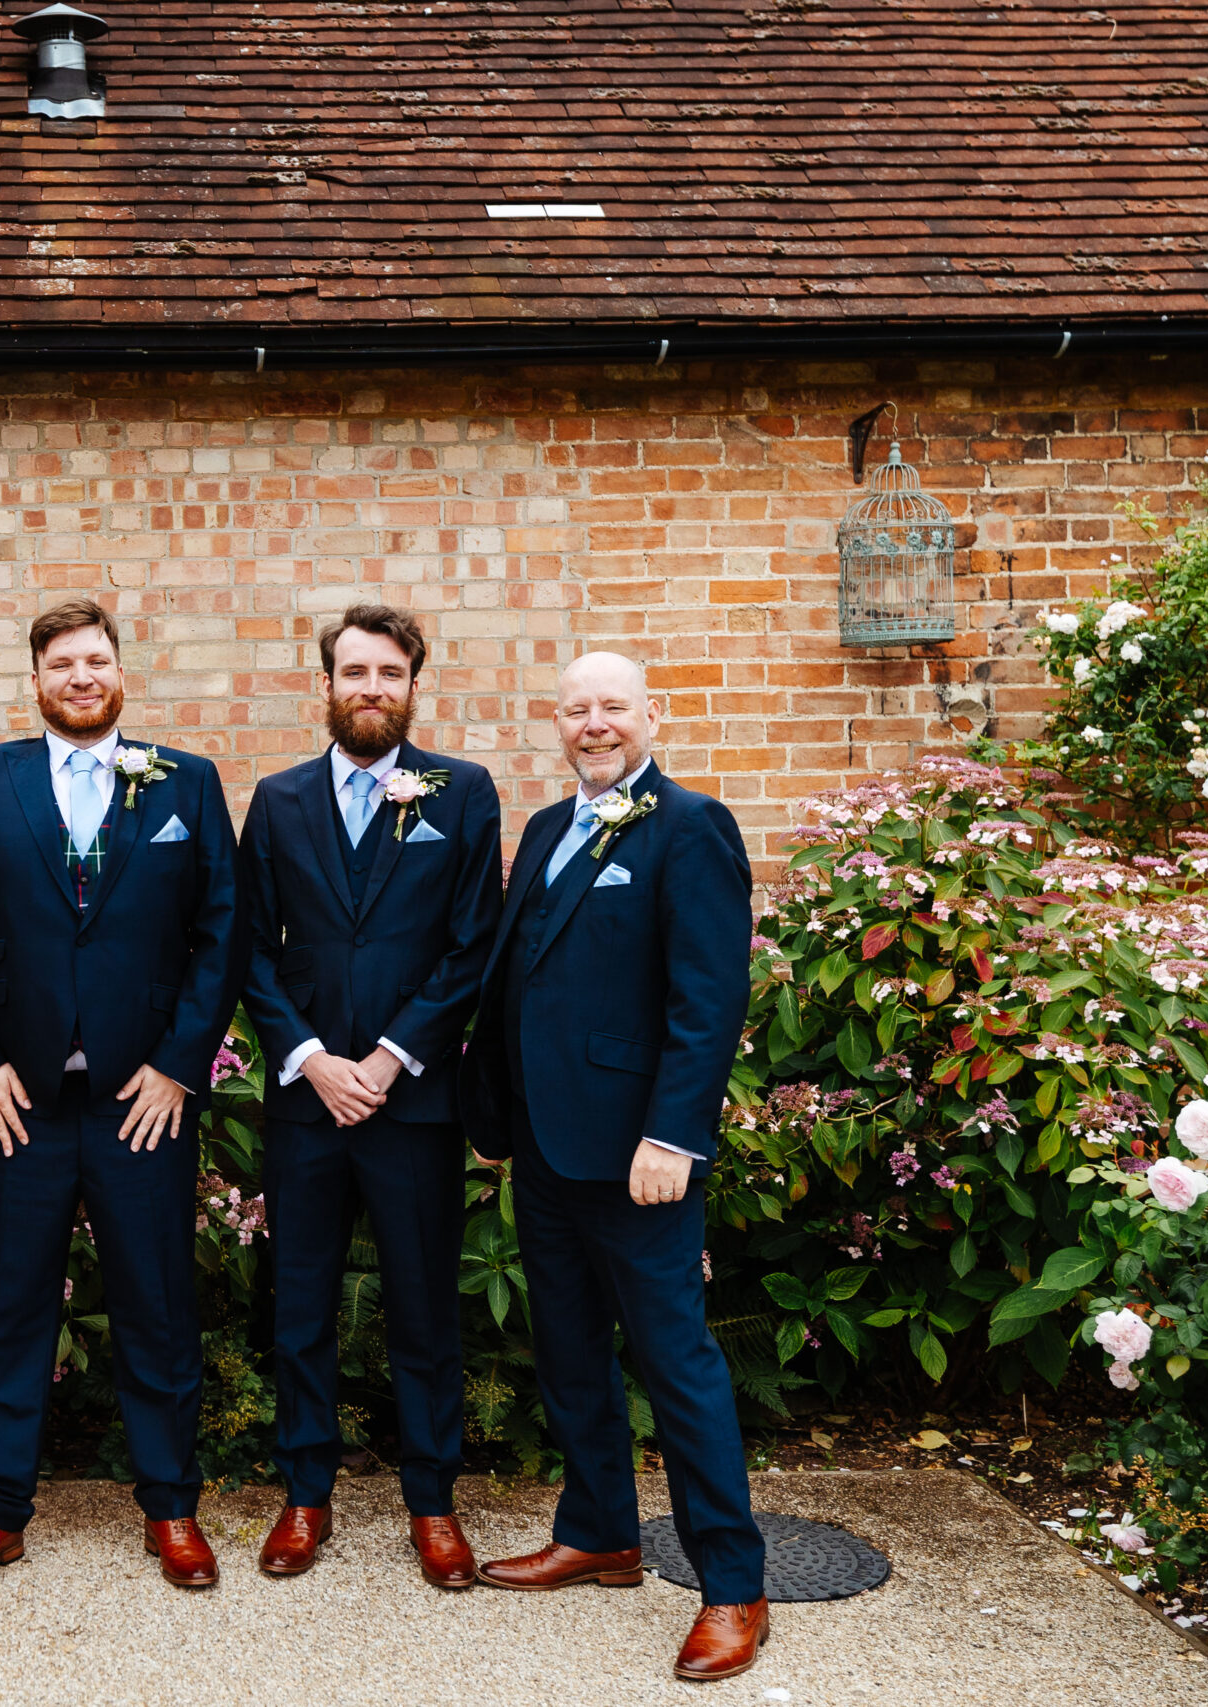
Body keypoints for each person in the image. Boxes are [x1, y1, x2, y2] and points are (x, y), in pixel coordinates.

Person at [0, 597, 245, 1594]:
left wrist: (181, 1064)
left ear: (120, 673)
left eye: (96, 660)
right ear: (37, 680)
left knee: (157, 1305)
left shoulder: (185, 783)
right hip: (16, 1103)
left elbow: (219, 932)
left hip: (142, 1101)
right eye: (62, 663)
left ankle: (171, 1509)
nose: (81, 677)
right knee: (10, 1310)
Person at [458, 650, 771, 1683]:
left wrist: (674, 1135)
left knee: (675, 1366)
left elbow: (706, 998)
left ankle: (733, 1585)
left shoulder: (690, 827)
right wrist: (494, 1118)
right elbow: (520, 981)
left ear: (652, 716)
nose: (595, 725)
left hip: (641, 1155)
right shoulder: (548, 829)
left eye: (613, 708)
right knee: (568, 1355)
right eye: (576, 710)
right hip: (545, 1149)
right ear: (557, 723)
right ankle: (599, 1532)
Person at [236, 603, 501, 1588]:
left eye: (389, 674)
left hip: (411, 1105)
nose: (372, 689)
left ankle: (432, 1504)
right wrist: (310, 1058)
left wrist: (388, 1060)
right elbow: (249, 950)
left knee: (423, 1308)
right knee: (299, 1305)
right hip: (309, 1103)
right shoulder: (278, 800)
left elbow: (473, 947)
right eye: (355, 673)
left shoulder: (461, 796)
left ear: (413, 684)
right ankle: (305, 1495)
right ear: (329, 683)